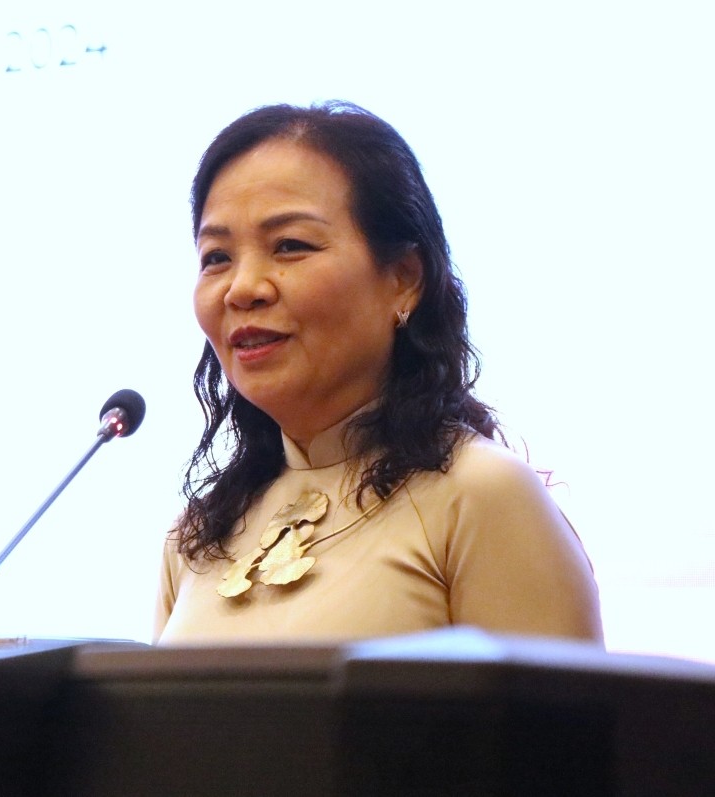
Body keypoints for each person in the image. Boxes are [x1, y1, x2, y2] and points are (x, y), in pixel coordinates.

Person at [154, 101, 603, 645]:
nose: (242, 288)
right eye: (216, 257)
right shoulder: (195, 536)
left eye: (290, 246)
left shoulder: (483, 496)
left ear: (404, 279)